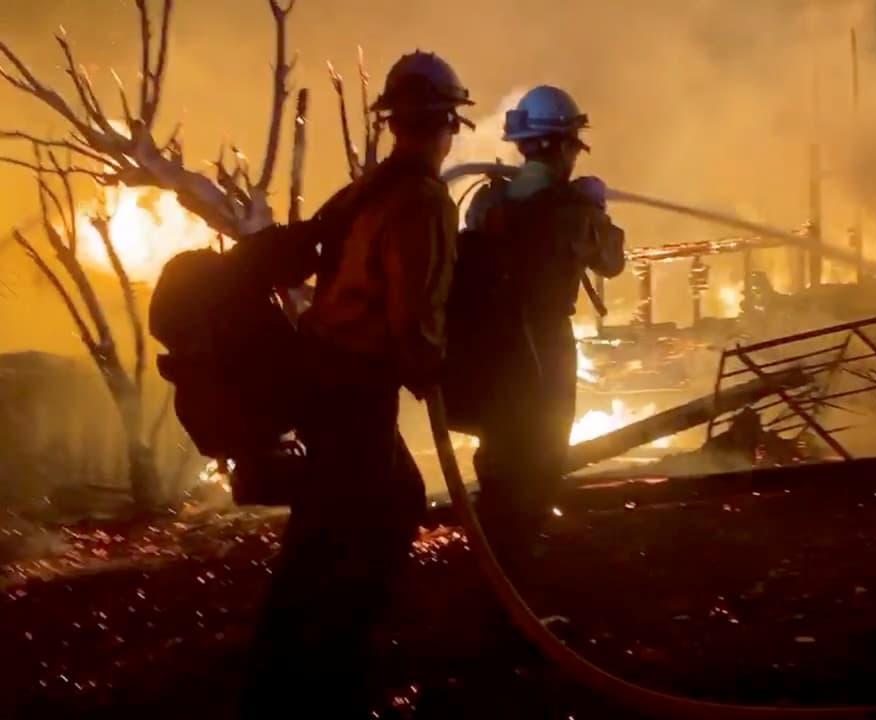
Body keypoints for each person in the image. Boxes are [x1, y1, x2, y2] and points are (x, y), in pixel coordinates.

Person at [240, 50, 472, 719]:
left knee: (330, 521)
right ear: (448, 124)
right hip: (353, 385)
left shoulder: (364, 189)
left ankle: (279, 671)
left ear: (395, 122)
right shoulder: (423, 202)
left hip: (321, 373)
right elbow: (411, 309)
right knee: (379, 514)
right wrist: (431, 371)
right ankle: (331, 676)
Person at [455, 84, 626, 573]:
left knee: (501, 459)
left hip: (491, 350)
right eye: (574, 144)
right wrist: (596, 210)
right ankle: (513, 578)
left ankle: (493, 566)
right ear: (562, 145)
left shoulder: (488, 202)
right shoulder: (569, 213)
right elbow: (611, 261)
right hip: (541, 349)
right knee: (540, 459)